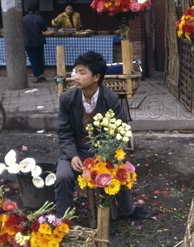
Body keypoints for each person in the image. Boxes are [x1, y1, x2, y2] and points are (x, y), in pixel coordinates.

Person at [55, 51, 149, 219]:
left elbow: (119, 131)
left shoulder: (111, 99)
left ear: (96, 77)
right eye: (76, 71)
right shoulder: (67, 99)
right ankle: (64, 219)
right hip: (76, 150)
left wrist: (103, 156)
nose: (76, 76)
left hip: (104, 151)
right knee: (63, 176)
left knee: (121, 171)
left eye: (82, 73)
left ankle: (127, 210)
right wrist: (72, 155)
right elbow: (64, 132)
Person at [22, 1, 47, 83]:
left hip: (28, 42)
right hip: (38, 42)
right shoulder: (39, 18)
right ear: (37, 9)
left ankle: (38, 75)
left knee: (33, 60)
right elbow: (45, 28)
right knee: (40, 58)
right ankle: (41, 75)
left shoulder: (23, 19)